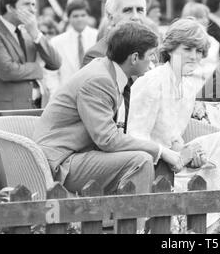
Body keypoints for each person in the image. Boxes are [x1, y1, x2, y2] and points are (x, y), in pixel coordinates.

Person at [33, 21, 182, 196]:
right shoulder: (99, 80)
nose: (154, 60)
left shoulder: (107, 69)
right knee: (141, 160)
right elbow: (108, 139)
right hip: (60, 162)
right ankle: (137, 223)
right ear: (134, 58)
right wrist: (160, 150)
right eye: (151, 55)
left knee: (145, 156)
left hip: (75, 153)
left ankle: (120, 219)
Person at [127, 18, 220, 193]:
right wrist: (175, 155)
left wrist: (192, 154)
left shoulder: (188, 87)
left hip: (174, 160)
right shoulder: (152, 82)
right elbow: (136, 137)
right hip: (149, 164)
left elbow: (174, 137)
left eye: (199, 51)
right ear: (171, 49)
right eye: (187, 49)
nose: (194, 56)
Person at [0, 0, 61, 110]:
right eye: (27, 4)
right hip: (9, 111)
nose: (33, 10)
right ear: (10, 7)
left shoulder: (30, 32)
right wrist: (38, 67)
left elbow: (56, 63)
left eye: (33, 4)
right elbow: (8, 71)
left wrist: (36, 34)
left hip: (39, 107)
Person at [44, 0, 98, 96]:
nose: (79, 19)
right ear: (69, 18)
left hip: (94, 94)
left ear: (88, 16)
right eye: (75, 16)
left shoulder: (98, 37)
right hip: (66, 95)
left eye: (83, 15)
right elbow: (51, 73)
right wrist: (56, 94)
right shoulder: (57, 42)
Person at [83, 0, 147, 67]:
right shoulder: (97, 56)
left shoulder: (150, 50)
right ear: (111, 18)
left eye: (140, 10)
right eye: (127, 10)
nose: (135, 16)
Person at [181, 1, 220, 78]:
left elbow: (217, 64)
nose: (205, 20)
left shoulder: (213, 41)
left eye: (206, 17)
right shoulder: (181, 41)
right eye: (200, 17)